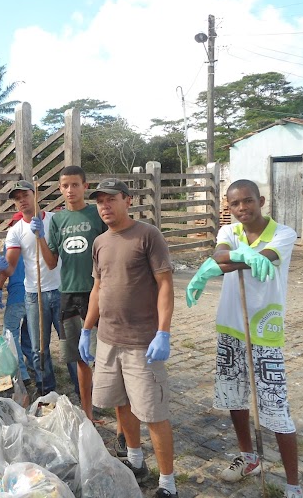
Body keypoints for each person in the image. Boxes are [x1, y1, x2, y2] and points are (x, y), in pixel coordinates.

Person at [186, 179, 302, 498]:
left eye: (247, 201)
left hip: (265, 327)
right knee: (235, 397)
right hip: (231, 325)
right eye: (235, 204)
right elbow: (222, 254)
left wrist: (219, 265)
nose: (242, 209)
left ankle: (293, 485)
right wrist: (221, 262)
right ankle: (248, 457)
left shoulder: (284, 233)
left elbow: (263, 257)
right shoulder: (229, 232)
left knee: (275, 405)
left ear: (261, 200)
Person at [80, 178, 178, 498]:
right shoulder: (99, 242)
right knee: (120, 403)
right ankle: (135, 460)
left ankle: (168, 483)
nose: (105, 206)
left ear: (127, 200)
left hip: (142, 342)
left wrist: (163, 332)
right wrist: (86, 328)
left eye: (111, 199)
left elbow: (165, 284)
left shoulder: (148, 235)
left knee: (153, 413)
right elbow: (98, 287)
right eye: (100, 202)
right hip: (108, 339)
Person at [32, 166, 107, 425]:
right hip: (69, 294)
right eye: (65, 186)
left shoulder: (97, 214)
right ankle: (88, 412)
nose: (70, 190)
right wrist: (40, 237)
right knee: (79, 358)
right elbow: (51, 263)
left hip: (97, 293)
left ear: (85, 186)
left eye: (75, 184)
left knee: (104, 354)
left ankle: (110, 402)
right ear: (60, 189)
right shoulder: (57, 221)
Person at [0, 181, 67, 395]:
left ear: (36, 194)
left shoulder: (55, 221)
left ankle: (84, 391)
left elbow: (57, 259)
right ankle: (45, 390)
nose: (22, 201)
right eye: (17, 198)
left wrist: (42, 236)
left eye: (25, 195)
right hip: (34, 295)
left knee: (69, 344)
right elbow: (10, 267)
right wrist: (2, 268)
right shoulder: (15, 231)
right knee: (38, 349)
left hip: (62, 290)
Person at [0, 248, 33, 386]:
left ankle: (21, 372)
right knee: (31, 333)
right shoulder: (37, 237)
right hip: (34, 293)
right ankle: (35, 367)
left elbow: (6, 269)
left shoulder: (12, 242)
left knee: (10, 334)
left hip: (17, 294)